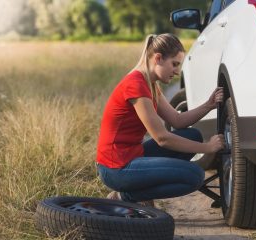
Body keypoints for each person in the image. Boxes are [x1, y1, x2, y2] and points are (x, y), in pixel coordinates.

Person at [96, 33, 225, 206]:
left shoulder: (150, 84)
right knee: (194, 176)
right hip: (115, 169)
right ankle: (125, 196)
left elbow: (177, 120)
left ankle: (141, 190)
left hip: (132, 156)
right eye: (174, 64)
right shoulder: (135, 84)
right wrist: (207, 148)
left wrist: (208, 105)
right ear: (158, 58)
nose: (177, 72)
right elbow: (162, 138)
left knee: (192, 135)